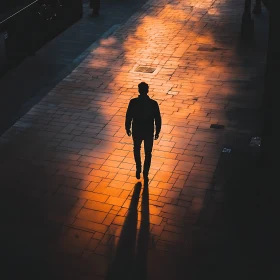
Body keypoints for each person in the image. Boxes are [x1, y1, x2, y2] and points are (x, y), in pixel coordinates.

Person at [125, 82, 162, 180]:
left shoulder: (133, 102)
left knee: (136, 148)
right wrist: (157, 131)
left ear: (139, 90)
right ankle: (146, 171)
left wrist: (127, 127)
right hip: (148, 130)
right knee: (148, 152)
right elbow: (158, 118)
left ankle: (138, 167)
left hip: (137, 129)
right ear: (147, 90)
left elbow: (128, 116)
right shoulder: (153, 104)